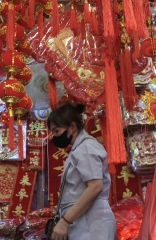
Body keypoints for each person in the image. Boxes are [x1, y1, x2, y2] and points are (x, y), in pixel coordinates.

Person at [47, 103, 116, 240]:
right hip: (85, 220)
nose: (54, 136)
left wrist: (65, 221)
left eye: (56, 131)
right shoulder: (80, 148)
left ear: (72, 127)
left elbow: (95, 187)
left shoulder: (86, 147)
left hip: (91, 221)